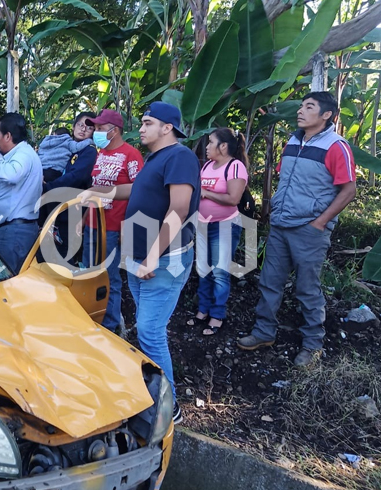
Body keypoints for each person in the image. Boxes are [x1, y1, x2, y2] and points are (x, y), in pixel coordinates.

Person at [238, 92, 356, 367]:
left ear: (326, 115)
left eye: (309, 107)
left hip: (309, 229)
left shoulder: (336, 146)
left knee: (307, 288)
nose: (300, 111)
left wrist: (320, 222)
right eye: (301, 106)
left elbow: (349, 190)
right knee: (269, 281)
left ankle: (313, 345)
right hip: (281, 224)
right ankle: (264, 332)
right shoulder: (292, 141)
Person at [123, 101, 200, 423]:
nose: (141, 128)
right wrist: (100, 193)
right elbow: (140, 191)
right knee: (146, 328)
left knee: (150, 330)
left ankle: (168, 408)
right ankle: (150, 393)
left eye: (147, 123)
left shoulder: (180, 157)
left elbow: (178, 209)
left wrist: (153, 257)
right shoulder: (156, 159)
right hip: (139, 258)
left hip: (163, 261)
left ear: (167, 127)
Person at [76, 109, 144, 334]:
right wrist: (83, 220)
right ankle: (90, 318)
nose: (95, 131)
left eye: (100, 128)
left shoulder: (131, 155)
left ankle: (110, 325)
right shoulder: (101, 154)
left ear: (114, 131)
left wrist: (129, 225)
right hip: (92, 224)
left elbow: (139, 192)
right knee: (89, 273)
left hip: (114, 227)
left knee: (109, 277)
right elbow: (94, 189)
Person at [193, 128, 249, 336]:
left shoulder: (235, 167)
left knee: (219, 272)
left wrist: (206, 193)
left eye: (211, 142)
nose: (207, 147)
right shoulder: (207, 165)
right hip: (203, 224)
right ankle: (203, 309)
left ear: (223, 146)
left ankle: (217, 315)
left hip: (224, 226)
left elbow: (233, 199)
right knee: (203, 269)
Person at [0, 113, 42, 274]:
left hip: (15, 232)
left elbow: (12, 174)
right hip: (14, 229)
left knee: (7, 279)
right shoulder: (21, 153)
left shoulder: (22, 155)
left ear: (8, 136)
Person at [41, 112, 98, 260]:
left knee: (64, 256)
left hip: (71, 211)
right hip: (55, 208)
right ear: (73, 126)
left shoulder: (89, 150)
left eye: (89, 128)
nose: (83, 129)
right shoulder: (68, 147)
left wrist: (48, 187)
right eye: (80, 125)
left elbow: (77, 176)